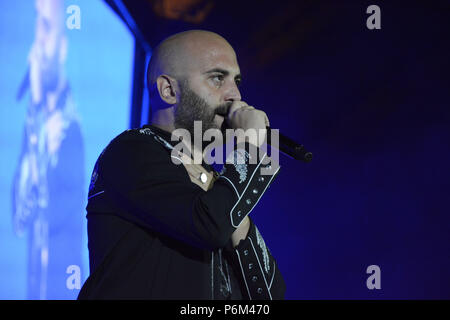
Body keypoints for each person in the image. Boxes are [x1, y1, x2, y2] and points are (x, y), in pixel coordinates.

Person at [78, 30, 285, 300]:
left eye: (236, 80)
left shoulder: (215, 182)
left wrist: (235, 214)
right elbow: (208, 227)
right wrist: (248, 149)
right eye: (217, 78)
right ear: (168, 90)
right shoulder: (132, 151)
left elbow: (269, 295)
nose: (235, 95)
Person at [12, 0, 84, 299]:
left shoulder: (71, 130)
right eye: (36, 28)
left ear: (63, 46)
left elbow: (58, 216)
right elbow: (19, 219)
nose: (38, 44)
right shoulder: (35, 126)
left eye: (46, 28)